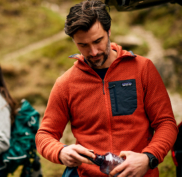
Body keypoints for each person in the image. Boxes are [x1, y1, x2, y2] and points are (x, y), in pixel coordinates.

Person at [35, 1, 178, 177]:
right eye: (83, 45)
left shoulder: (143, 69)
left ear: (109, 31)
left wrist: (148, 157)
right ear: (74, 41)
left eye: (98, 41)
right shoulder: (65, 83)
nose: (93, 51)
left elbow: (166, 123)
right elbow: (44, 135)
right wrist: (60, 151)